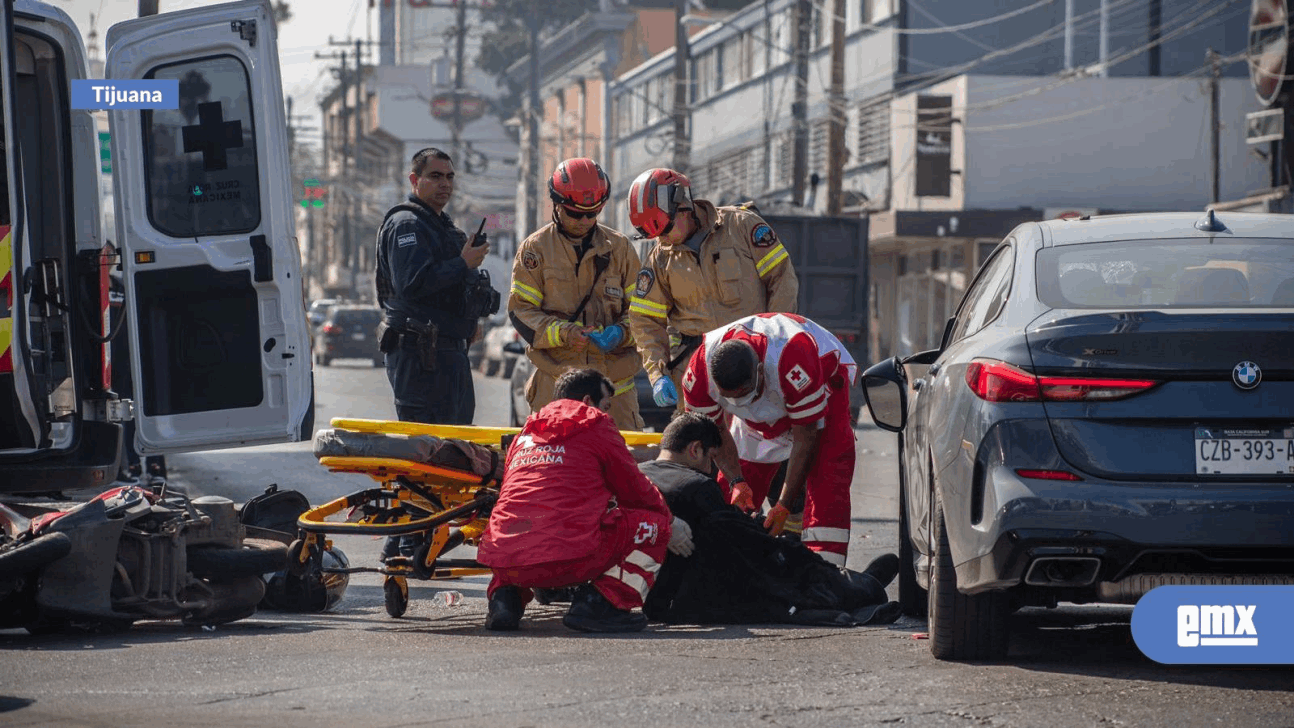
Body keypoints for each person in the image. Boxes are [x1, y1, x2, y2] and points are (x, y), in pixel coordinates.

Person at [639, 413, 900, 626]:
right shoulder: (695, 485)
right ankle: (862, 585)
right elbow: (747, 544)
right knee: (789, 559)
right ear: (695, 450)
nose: (711, 469)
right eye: (712, 459)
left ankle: (855, 582)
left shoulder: (639, 477)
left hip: (654, 600)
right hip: (699, 596)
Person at [477, 368, 678, 633]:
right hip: (569, 559)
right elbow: (636, 490)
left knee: (517, 523)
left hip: (507, 562)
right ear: (587, 401)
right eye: (606, 405)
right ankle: (601, 605)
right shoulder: (596, 423)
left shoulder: (525, 432)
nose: (609, 413)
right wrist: (671, 521)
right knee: (654, 525)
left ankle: (505, 601)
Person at [680, 313, 857, 567]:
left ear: (761, 371)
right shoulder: (699, 373)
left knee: (827, 482)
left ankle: (827, 571)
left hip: (822, 395)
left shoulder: (793, 354)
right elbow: (714, 434)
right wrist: (736, 481)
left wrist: (784, 504)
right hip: (758, 416)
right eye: (732, 400)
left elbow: (806, 438)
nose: (742, 404)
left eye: (746, 395)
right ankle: (724, 568)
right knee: (729, 499)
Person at [625, 168, 799, 412]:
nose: (662, 240)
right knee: (696, 445)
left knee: (760, 441)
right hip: (696, 372)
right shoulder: (659, 260)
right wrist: (658, 374)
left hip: (754, 365)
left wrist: (773, 345)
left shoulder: (740, 226)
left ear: (683, 205)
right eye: (655, 236)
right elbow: (644, 320)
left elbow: (782, 280)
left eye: (664, 230)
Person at [507, 158, 645, 430]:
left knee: (619, 469)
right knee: (554, 466)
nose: (584, 221)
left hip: (615, 389)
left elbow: (645, 312)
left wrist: (621, 333)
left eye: (592, 213)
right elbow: (521, 312)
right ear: (556, 204)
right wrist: (563, 333)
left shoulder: (620, 249)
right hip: (556, 384)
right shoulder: (535, 250)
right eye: (575, 213)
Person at [374, 146, 495, 426]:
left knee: (457, 443)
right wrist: (463, 263)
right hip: (421, 355)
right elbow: (411, 284)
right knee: (427, 447)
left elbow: (451, 285)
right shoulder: (407, 224)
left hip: (450, 352)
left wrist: (471, 315)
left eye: (450, 177)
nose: (445, 184)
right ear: (414, 180)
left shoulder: (442, 226)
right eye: (435, 176)